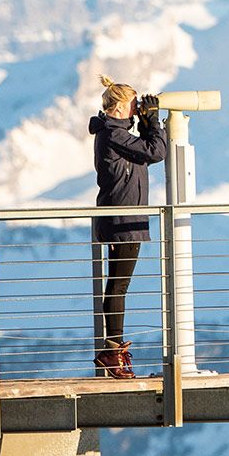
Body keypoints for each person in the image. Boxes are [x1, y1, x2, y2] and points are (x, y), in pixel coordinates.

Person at [89, 75, 168, 378]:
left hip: (123, 219)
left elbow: (147, 151)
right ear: (120, 106)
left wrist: (147, 122)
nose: (137, 110)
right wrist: (154, 121)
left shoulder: (114, 134)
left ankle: (114, 349)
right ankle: (113, 351)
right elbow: (156, 152)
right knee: (119, 285)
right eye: (134, 105)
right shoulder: (113, 134)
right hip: (123, 220)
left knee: (118, 284)